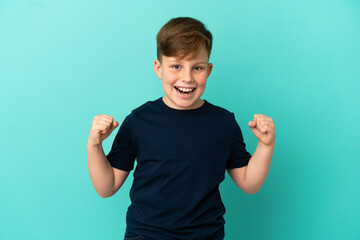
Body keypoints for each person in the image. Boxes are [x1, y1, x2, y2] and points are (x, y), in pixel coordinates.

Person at [87, 17, 275, 240]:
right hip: (146, 234)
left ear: (209, 70)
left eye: (197, 67)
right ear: (159, 68)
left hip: (205, 234)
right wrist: (94, 145)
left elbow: (249, 183)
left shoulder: (223, 123)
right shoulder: (139, 121)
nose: (187, 78)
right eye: (176, 66)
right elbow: (106, 187)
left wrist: (266, 145)